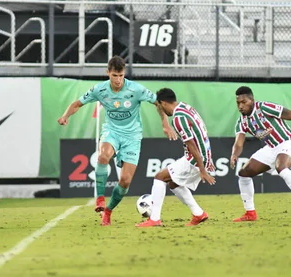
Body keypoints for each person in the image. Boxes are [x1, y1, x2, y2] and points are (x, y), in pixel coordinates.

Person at [58, 55, 176, 226]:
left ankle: (108, 211)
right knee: (103, 156)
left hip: (132, 136)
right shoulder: (100, 90)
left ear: (124, 73)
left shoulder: (135, 89)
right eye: (115, 76)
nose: (118, 80)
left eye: (121, 76)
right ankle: (99, 199)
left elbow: (158, 103)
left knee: (125, 181)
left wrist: (165, 123)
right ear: (108, 73)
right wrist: (65, 116)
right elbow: (77, 104)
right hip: (112, 131)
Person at [230, 86, 291, 222]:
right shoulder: (242, 122)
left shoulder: (264, 107)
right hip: (271, 148)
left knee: (282, 167)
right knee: (244, 173)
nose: (240, 106)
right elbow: (238, 143)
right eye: (238, 103)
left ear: (252, 100)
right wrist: (234, 155)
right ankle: (250, 213)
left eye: (244, 102)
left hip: (289, 142)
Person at [136, 88, 216, 228]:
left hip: (194, 159)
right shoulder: (186, 107)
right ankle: (198, 214)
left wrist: (202, 169)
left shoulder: (178, 119)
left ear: (164, 103)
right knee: (173, 183)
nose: (161, 110)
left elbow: (191, 145)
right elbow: (202, 133)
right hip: (202, 155)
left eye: (160, 106)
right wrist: (208, 158)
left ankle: (154, 219)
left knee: (160, 177)